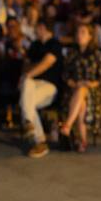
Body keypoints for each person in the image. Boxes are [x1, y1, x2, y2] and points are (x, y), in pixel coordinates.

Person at [58, 22, 101, 153]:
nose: (80, 35)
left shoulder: (95, 54)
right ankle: (82, 140)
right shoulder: (72, 53)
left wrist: (90, 84)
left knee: (83, 93)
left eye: (83, 32)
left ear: (90, 36)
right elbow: (65, 75)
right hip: (73, 90)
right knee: (81, 97)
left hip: (93, 91)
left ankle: (67, 127)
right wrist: (73, 83)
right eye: (78, 32)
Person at [20, 17, 62, 158]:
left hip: (50, 86)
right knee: (27, 89)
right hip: (32, 86)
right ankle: (39, 140)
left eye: (37, 27)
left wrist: (27, 74)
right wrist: (27, 75)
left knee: (25, 98)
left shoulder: (55, 44)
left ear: (43, 27)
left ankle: (30, 126)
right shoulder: (35, 45)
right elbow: (25, 64)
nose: (35, 30)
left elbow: (47, 63)